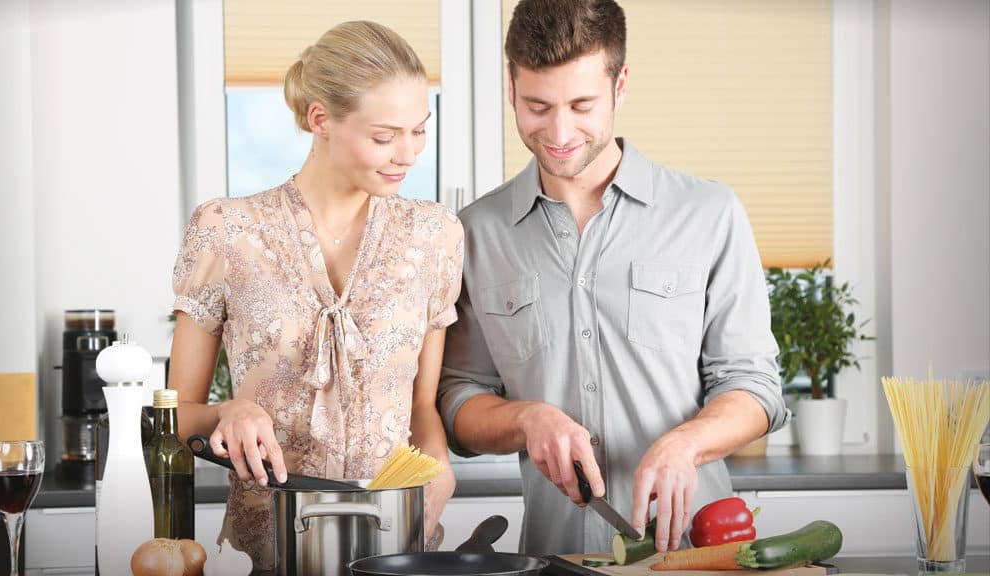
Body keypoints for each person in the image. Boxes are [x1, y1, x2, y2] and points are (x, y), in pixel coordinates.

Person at [437, 0, 789, 557]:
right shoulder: (476, 233)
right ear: (510, 87)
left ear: (620, 85)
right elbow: (459, 398)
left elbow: (755, 387)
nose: (558, 131)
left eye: (581, 105)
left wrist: (688, 443)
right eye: (536, 105)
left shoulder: (709, 214)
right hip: (553, 557)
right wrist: (526, 418)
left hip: (697, 558)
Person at [169, 21, 462, 571]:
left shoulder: (435, 235)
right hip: (270, 550)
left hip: (398, 548)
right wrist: (228, 411)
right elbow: (172, 420)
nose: (408, 154)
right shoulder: (227, 230)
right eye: (384, 136)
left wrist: (439, 466)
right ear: (320, 119)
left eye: (419, 130)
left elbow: (423, 407)